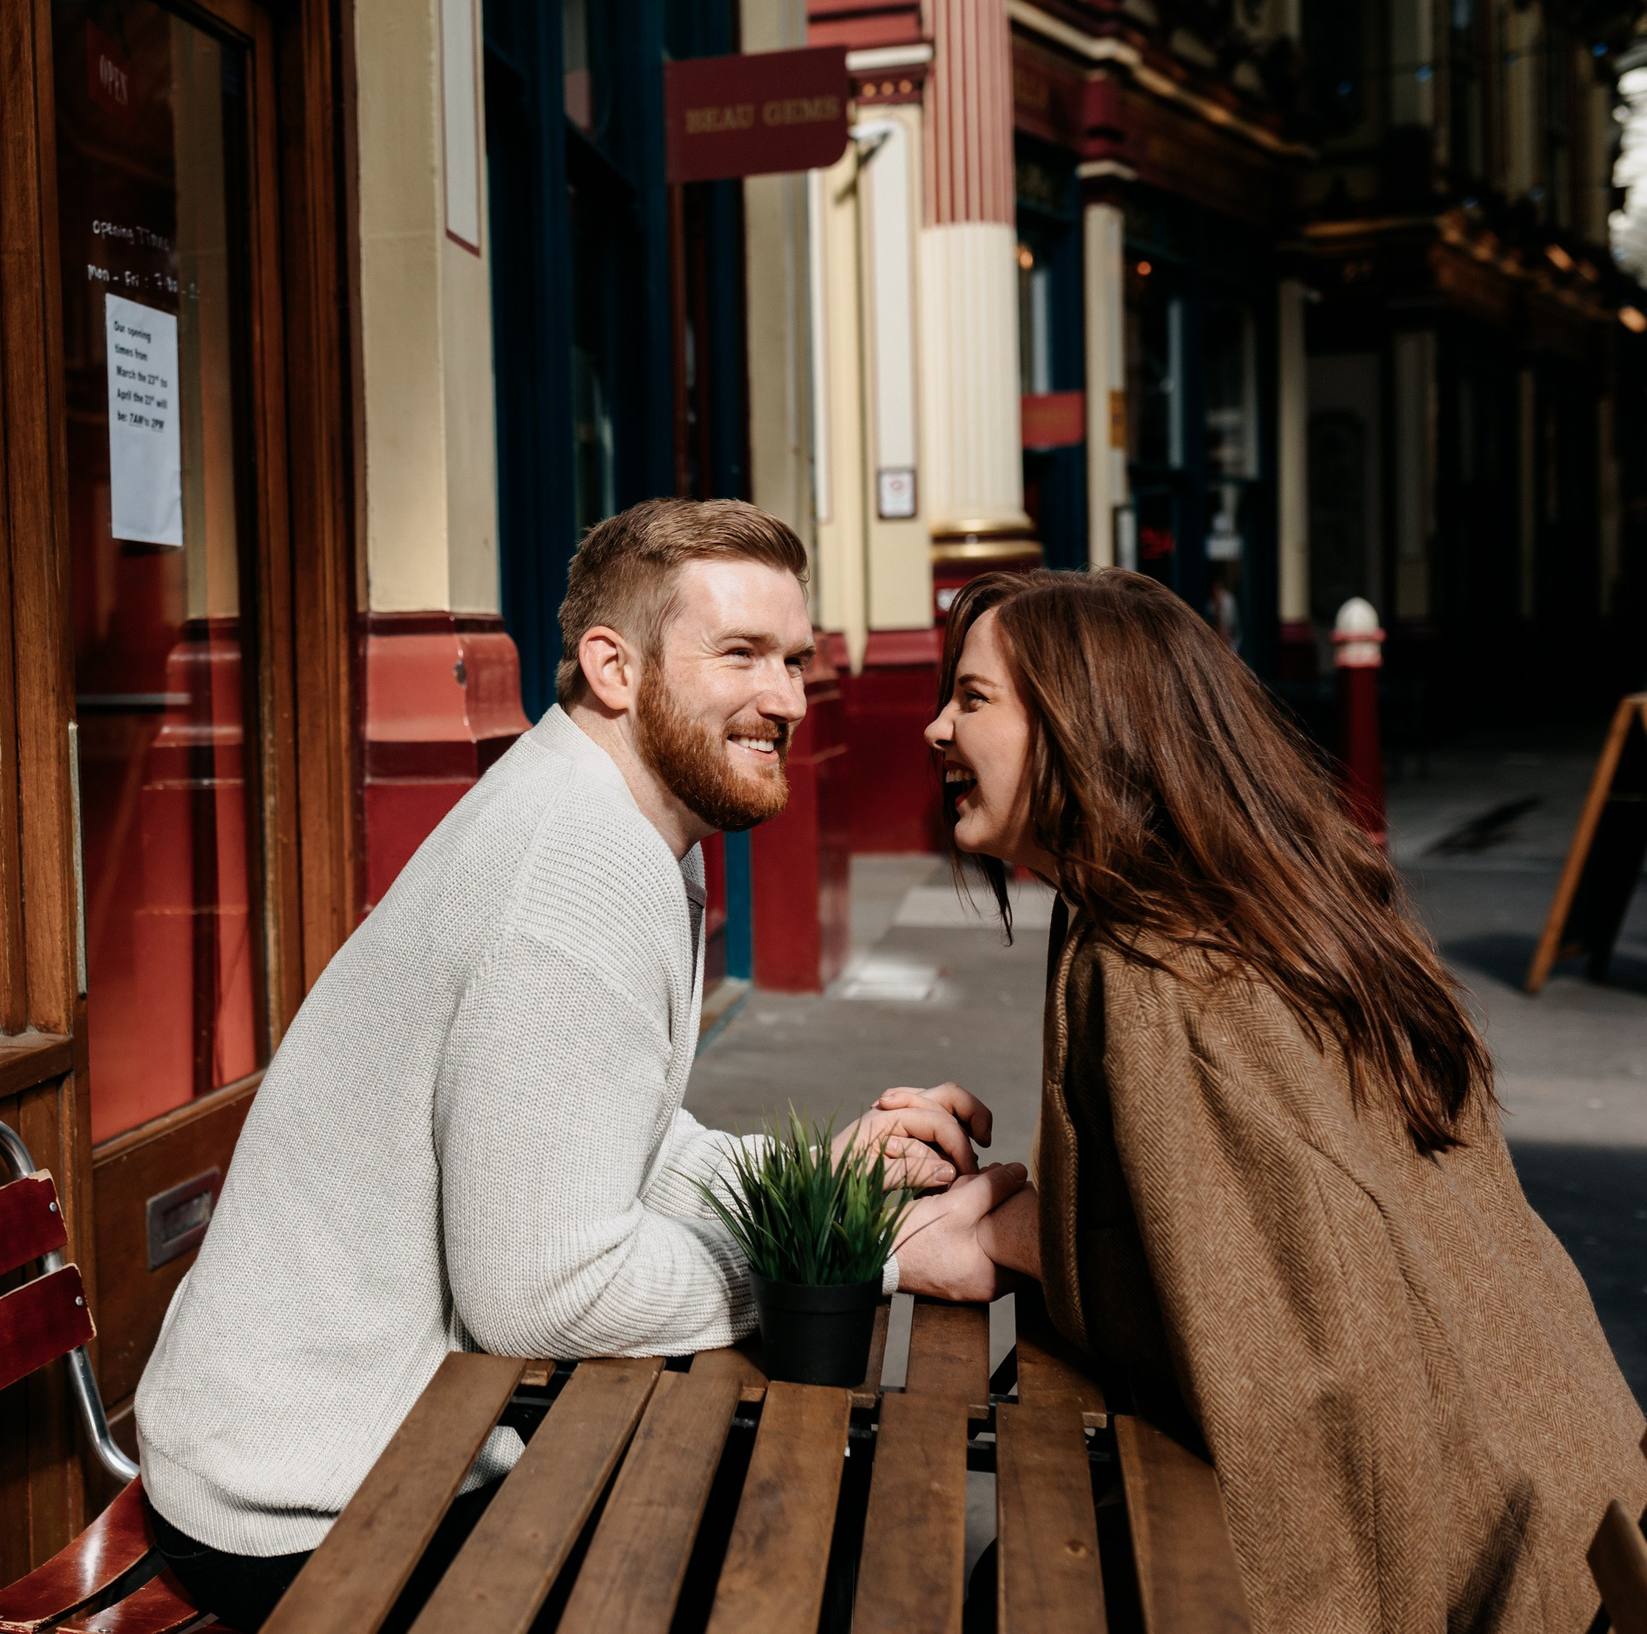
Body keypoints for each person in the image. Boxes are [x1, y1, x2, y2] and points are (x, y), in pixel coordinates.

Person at [131, 500, 1023, 1627]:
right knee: (818, 1565)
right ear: (614, 666)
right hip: (312, 1505)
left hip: (371, 1440)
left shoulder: (614, 817)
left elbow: (625, 1148)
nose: (788, 701)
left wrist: (826, 1194)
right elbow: (546, 1291)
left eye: (795, 661)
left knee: (819, 1508)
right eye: (740, 655)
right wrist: (860, 1262)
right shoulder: (575, 869)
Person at [913, 566, 1647, 1632]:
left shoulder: (1162, 969)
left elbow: (1280, 1351)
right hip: (1567, 1480)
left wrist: (1012, 1240)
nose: (935, 727)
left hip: (1478, 1556)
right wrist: (1025, 1225)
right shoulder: (1266, 904)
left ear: (1087, 722)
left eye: (971, 699)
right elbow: (1260, 1252)